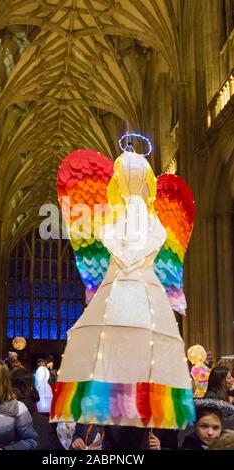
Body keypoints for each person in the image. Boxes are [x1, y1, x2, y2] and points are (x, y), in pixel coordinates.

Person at [52, 149, 194, 428]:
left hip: (140, 289)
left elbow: (140, 242)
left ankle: (139, 406)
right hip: (123, 288)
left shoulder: (152, 224)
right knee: (114, 350)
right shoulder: (113, 221)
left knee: (138, 351)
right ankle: (116, 410)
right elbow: (114, 239)